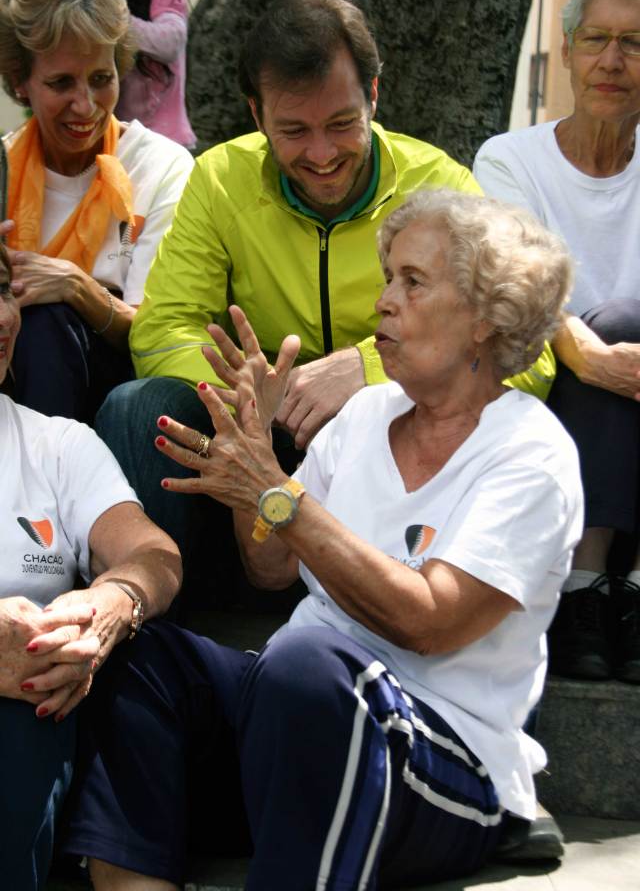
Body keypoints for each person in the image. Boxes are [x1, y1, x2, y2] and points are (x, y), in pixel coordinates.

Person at [62, 190, 582, 890]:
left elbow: (427, 622)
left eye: (413, 281)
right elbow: (272, 567)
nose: (385, 300)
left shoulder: (531, 452)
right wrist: (256, 471)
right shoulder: (367, 413)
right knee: (140, 652)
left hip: (445, 763)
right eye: (389, 276)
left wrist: (281, 495)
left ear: (487, 318)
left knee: (307, 663)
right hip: (298, 716)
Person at [96, 0, 555, 608]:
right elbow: (162, 329)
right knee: (139, 408)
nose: (321, 154)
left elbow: (532, 357)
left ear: (373, 93)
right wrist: (253, 390)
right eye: (293, 130)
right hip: (256, 421)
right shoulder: (219, 178)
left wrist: (370, 372)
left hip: (391, 432)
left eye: (341, 124)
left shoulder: (441, 186)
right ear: (255, 115)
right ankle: (167, 623)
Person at [474, 0, 640, 684]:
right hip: (553, 392)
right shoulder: (510, 161)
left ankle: (623, 593)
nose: (614, 60)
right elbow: (521, 290)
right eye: (599, 40)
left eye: (635, 43)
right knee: (614, 325)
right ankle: (587, 585)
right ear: (567, 52)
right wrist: (591, 353)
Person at [0, 234, 182, 890]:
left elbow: (151, 554)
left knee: (39, 689)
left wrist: (110, 605)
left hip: (28, 723)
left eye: (1, 290)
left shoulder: (56, 444)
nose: (0, 319)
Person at [0, 0, 193, 423]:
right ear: (21, 84)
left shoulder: (162, 166)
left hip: (117, 389)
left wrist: (73, 285)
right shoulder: (1, 166)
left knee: (45, 322)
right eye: (61, 82)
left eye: (101, 79)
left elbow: (157, 331)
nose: (85, 105)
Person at [53, 0, 197, 149]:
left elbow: (169, 43)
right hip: (115, 140)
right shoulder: (83, 12)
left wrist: (111, 4)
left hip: (166, 141)